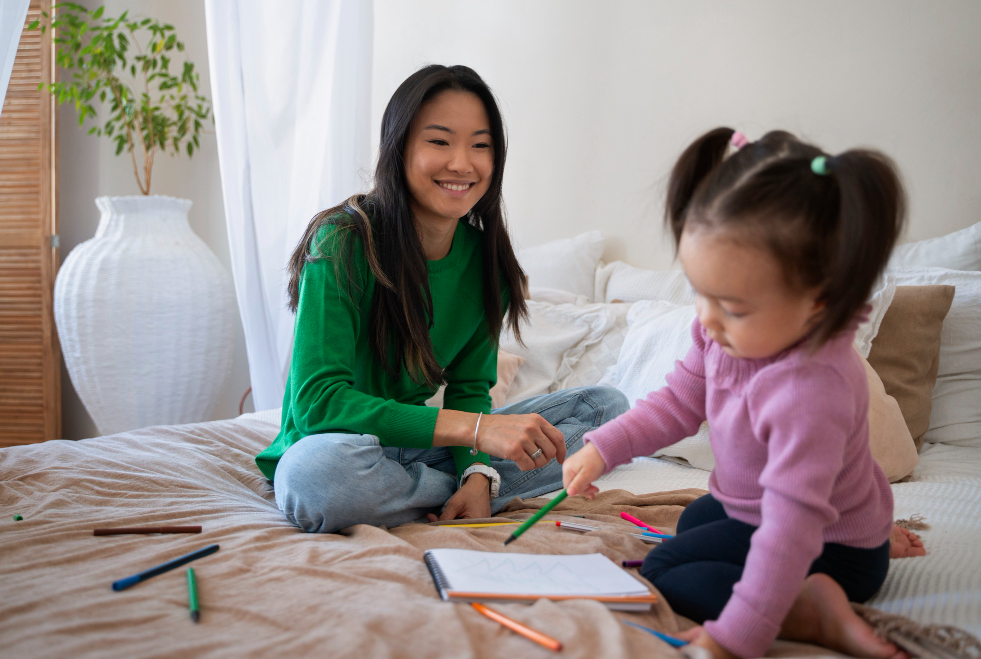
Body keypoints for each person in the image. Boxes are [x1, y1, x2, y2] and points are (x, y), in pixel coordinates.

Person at [562, 128, 910, 659]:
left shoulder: (809, 390)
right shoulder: (719, 335)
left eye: (735, 307)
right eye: (701, 293)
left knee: (664, 568)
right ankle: (869, 539)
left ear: (820, 299)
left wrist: (734, 638)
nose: (707, 320)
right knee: (701, 516)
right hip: (774, 512)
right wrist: (604, 446)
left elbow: (790, 530)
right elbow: (679, 402)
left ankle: (813, 610)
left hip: (828, 544)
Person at [256, 64, 628, 534]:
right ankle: (458, 487)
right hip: (336, 447)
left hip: (416, 445)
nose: (461, 163)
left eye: (480, 145)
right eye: (439, 141)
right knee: (314, 479)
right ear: (400, 148)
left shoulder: (485, 261)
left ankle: (461, 488)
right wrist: (476, 436)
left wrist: (476, 472)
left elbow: (470, 388)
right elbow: (319, 405)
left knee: (608, 411)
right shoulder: (343, 240)